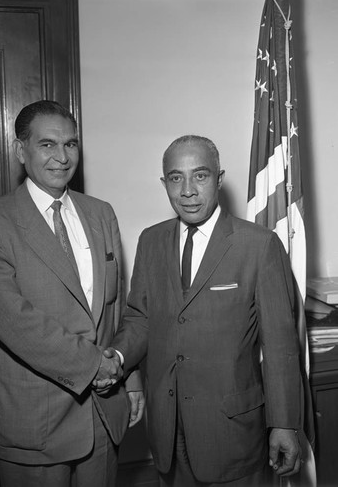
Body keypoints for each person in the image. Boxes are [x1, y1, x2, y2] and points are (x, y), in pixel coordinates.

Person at [0, 100, 144, 487]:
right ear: (20, 151)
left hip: (103, 417)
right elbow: (15, 321)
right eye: (47, 145)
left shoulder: (100, 213)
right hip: (33, 429)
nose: (62, 157)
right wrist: (95, 365)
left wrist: (130, 378)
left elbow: (117, 309)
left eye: (71, 144)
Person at [105, 135, 303, 486]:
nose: (188, 190)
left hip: (232, 433)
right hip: (167, 431)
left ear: (219, 178)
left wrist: (285, 423)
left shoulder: (258, 245)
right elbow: (139, 318)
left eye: (200, 176)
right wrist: (117, 356)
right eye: (176, 178)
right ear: (164, 183)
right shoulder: (151, 241)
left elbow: (280, 346)